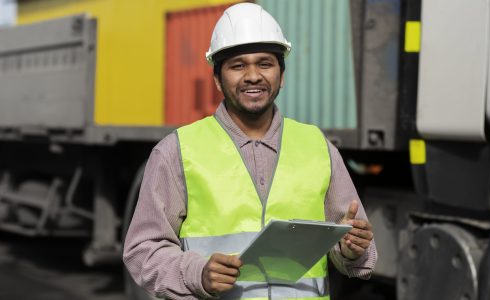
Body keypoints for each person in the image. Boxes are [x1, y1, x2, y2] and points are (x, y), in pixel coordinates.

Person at [123, 3, 377, 299]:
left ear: (281, 75)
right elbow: (142, 250)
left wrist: (351, 249)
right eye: (238, 65)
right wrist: (197, 274)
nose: (253, 75)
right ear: (218, 79)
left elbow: (358, 251)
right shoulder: (177, 151)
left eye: (265, 63)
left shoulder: (318, 147)